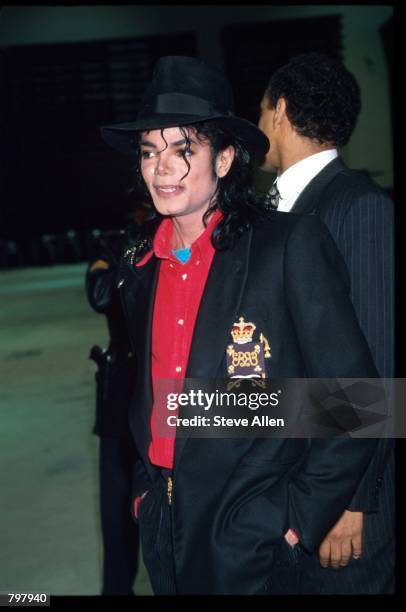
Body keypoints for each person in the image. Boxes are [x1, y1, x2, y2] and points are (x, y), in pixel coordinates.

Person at [100, 55, 380, 595]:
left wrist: (295, 522)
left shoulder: (287, 246)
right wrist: (146, 493)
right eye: (149, 151)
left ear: (225, 159)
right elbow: (148, 398)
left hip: (256, 537)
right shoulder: (139, 268)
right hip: (164, 530)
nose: (162, 168)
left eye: (183, 150)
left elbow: (357, 400)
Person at [258, 51, 394, 594]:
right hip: (292, 478)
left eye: (262, 109)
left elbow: (378, 356)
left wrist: (350, 499)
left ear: (281, 112)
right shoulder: (277, 208)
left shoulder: (357, 206)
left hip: (342, 496)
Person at [86, 222, 147, 595]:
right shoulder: (115, 242)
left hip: (179, 402)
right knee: (117, 520)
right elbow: (100, 295)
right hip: (121, 404)